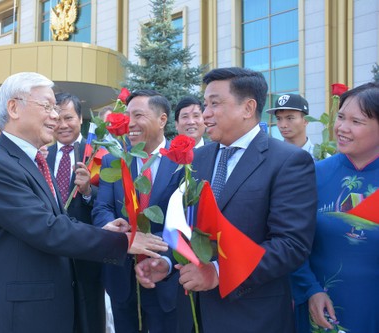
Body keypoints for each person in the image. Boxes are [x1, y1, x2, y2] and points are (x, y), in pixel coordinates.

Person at [0, 72, 167, 333]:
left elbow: (58, 220)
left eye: (56, 109)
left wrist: (102, 232)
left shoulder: (31, 161)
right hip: (16, 315)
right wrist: (122, 242)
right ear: (14, 108)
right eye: (47, 106)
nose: (55, 116)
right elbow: (45, 228)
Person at [135, 67, 317, 333]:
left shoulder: (288, 161)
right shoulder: (199, 158)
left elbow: (291, 245)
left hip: (251, 316)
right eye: (205, 104)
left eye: (214, 104)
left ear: (248, 108)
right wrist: (167, 263)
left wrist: (219, 272)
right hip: (194, 314)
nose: (205, 113)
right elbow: (189, 229)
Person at [92, 89, 183, 333]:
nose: (130, 123)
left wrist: (165, 259)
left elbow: (188, 224)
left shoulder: (183, 162)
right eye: (128, 115)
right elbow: (102, 208)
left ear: (162, 119)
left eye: (139, 115)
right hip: (121, 276)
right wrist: (115, 230)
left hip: (164, 278)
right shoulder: (114, 161)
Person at [291, 82, 379, 333]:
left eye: (356, 121)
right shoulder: (313, 174)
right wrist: (310, 290)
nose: (341, 127)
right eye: (340, 117)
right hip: (320, 305)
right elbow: (292, 241)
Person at [46, 92, 105, 333]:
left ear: (80, 119)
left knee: (89, 315)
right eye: (56, 118)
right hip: (52, 251)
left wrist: (89, 190)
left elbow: (111, 204)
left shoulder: (100, 154)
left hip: (87, 251)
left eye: (68, 117)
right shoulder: (42, 156)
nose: (62, 125)